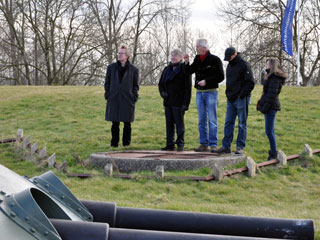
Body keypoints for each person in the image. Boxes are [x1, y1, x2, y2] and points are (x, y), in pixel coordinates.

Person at [183, 39, 224, 152]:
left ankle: (213, 144)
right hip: (199, 93)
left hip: (211, 92)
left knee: (212, 120)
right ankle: (204, 144)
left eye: (197, 47)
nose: (196, 48)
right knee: (201, 120)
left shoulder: (215, 60)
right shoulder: (197, 59)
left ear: (204, 48)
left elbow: (221, 77)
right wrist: (186, 62)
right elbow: (189, 71)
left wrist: (207, 81)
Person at [213, 47, 255, 154]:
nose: (228, 60)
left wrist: (241, 95)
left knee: (242, 123)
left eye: (229, 57)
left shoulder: (244, 65)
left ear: (235, 54)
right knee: (228, 122)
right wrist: (228, 94)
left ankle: (240, 147)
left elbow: (250, 82)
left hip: (241, 98)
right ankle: (226, 146)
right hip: (230, 99)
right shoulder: (229, 66)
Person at [104, 45, 139, 147]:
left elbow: (135, 85)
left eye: (121, 53)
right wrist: (108, 94)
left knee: (127, 122)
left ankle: (126, 143)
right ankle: (114, 143)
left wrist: (134, 97)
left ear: (127, 56)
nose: (119, 55)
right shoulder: (111, 68)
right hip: (114, 97)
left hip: (128, 98)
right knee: (115, 122)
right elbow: (107, 82)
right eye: (118, 53)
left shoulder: (134, 69)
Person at [158, 49, 192, 152]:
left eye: (176, 55)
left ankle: (180, 143)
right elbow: (160, 84)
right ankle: (170, 144)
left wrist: (186, 104)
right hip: (168, 101)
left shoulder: (184, 69)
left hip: (179, 101)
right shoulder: (166, 69)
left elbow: (188, 88)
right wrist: (162, 93)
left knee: (179, 124)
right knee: (169, 124)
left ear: (180, 58)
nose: (173, 57)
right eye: (172, 55)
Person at [257, 58, 287, 160]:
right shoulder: (270, 76)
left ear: (272, 65)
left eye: (267, 64)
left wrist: (265, 108)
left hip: (271, 106)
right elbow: (265, 88)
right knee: (270, 131)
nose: (266, 65)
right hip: (270, 105)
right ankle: (273, 152)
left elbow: (271, 95)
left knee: (269, 131)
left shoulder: (275, 78)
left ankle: (273, 153)